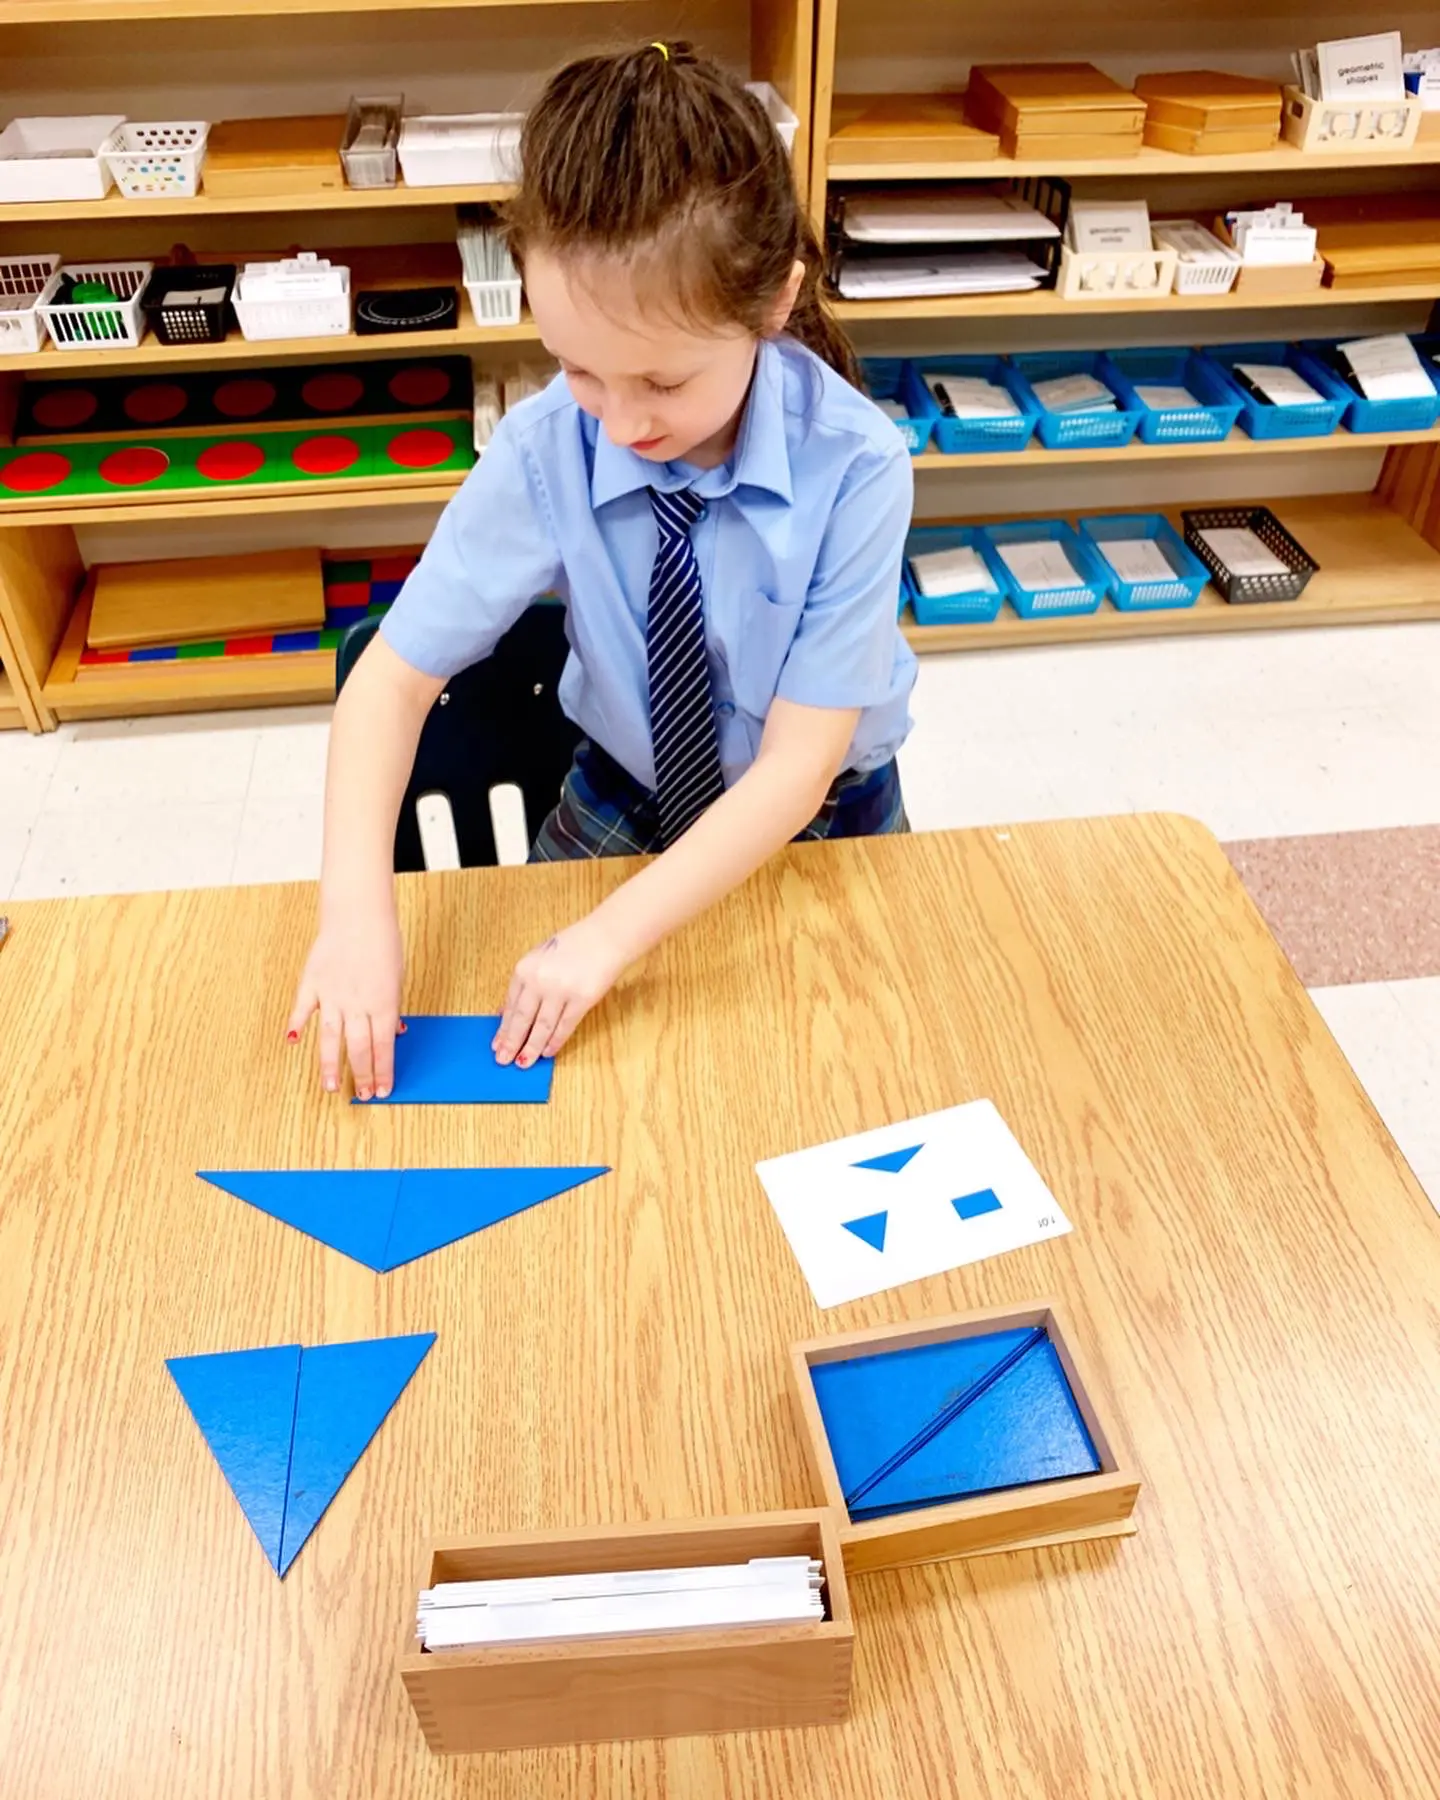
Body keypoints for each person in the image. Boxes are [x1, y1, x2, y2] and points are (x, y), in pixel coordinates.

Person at [287, 39, 917, 1099]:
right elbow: (388, 682)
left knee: (843, 1067)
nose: (621, 422)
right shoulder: (547, 448)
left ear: (773, 304)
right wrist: (354, 915)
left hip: (823, 810)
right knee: (560, 1068)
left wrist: (606, 940)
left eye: (663, 380)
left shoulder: (855, 466)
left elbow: (796, 771)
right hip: (625, 784)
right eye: (579, 367)